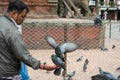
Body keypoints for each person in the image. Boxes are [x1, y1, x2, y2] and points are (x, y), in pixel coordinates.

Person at [0, 0, 58, 80]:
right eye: (22, 16)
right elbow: (23, 55)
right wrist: (42, 65)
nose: (23, 20)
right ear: (14, 14)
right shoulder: (12, 31)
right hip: (9, 74)